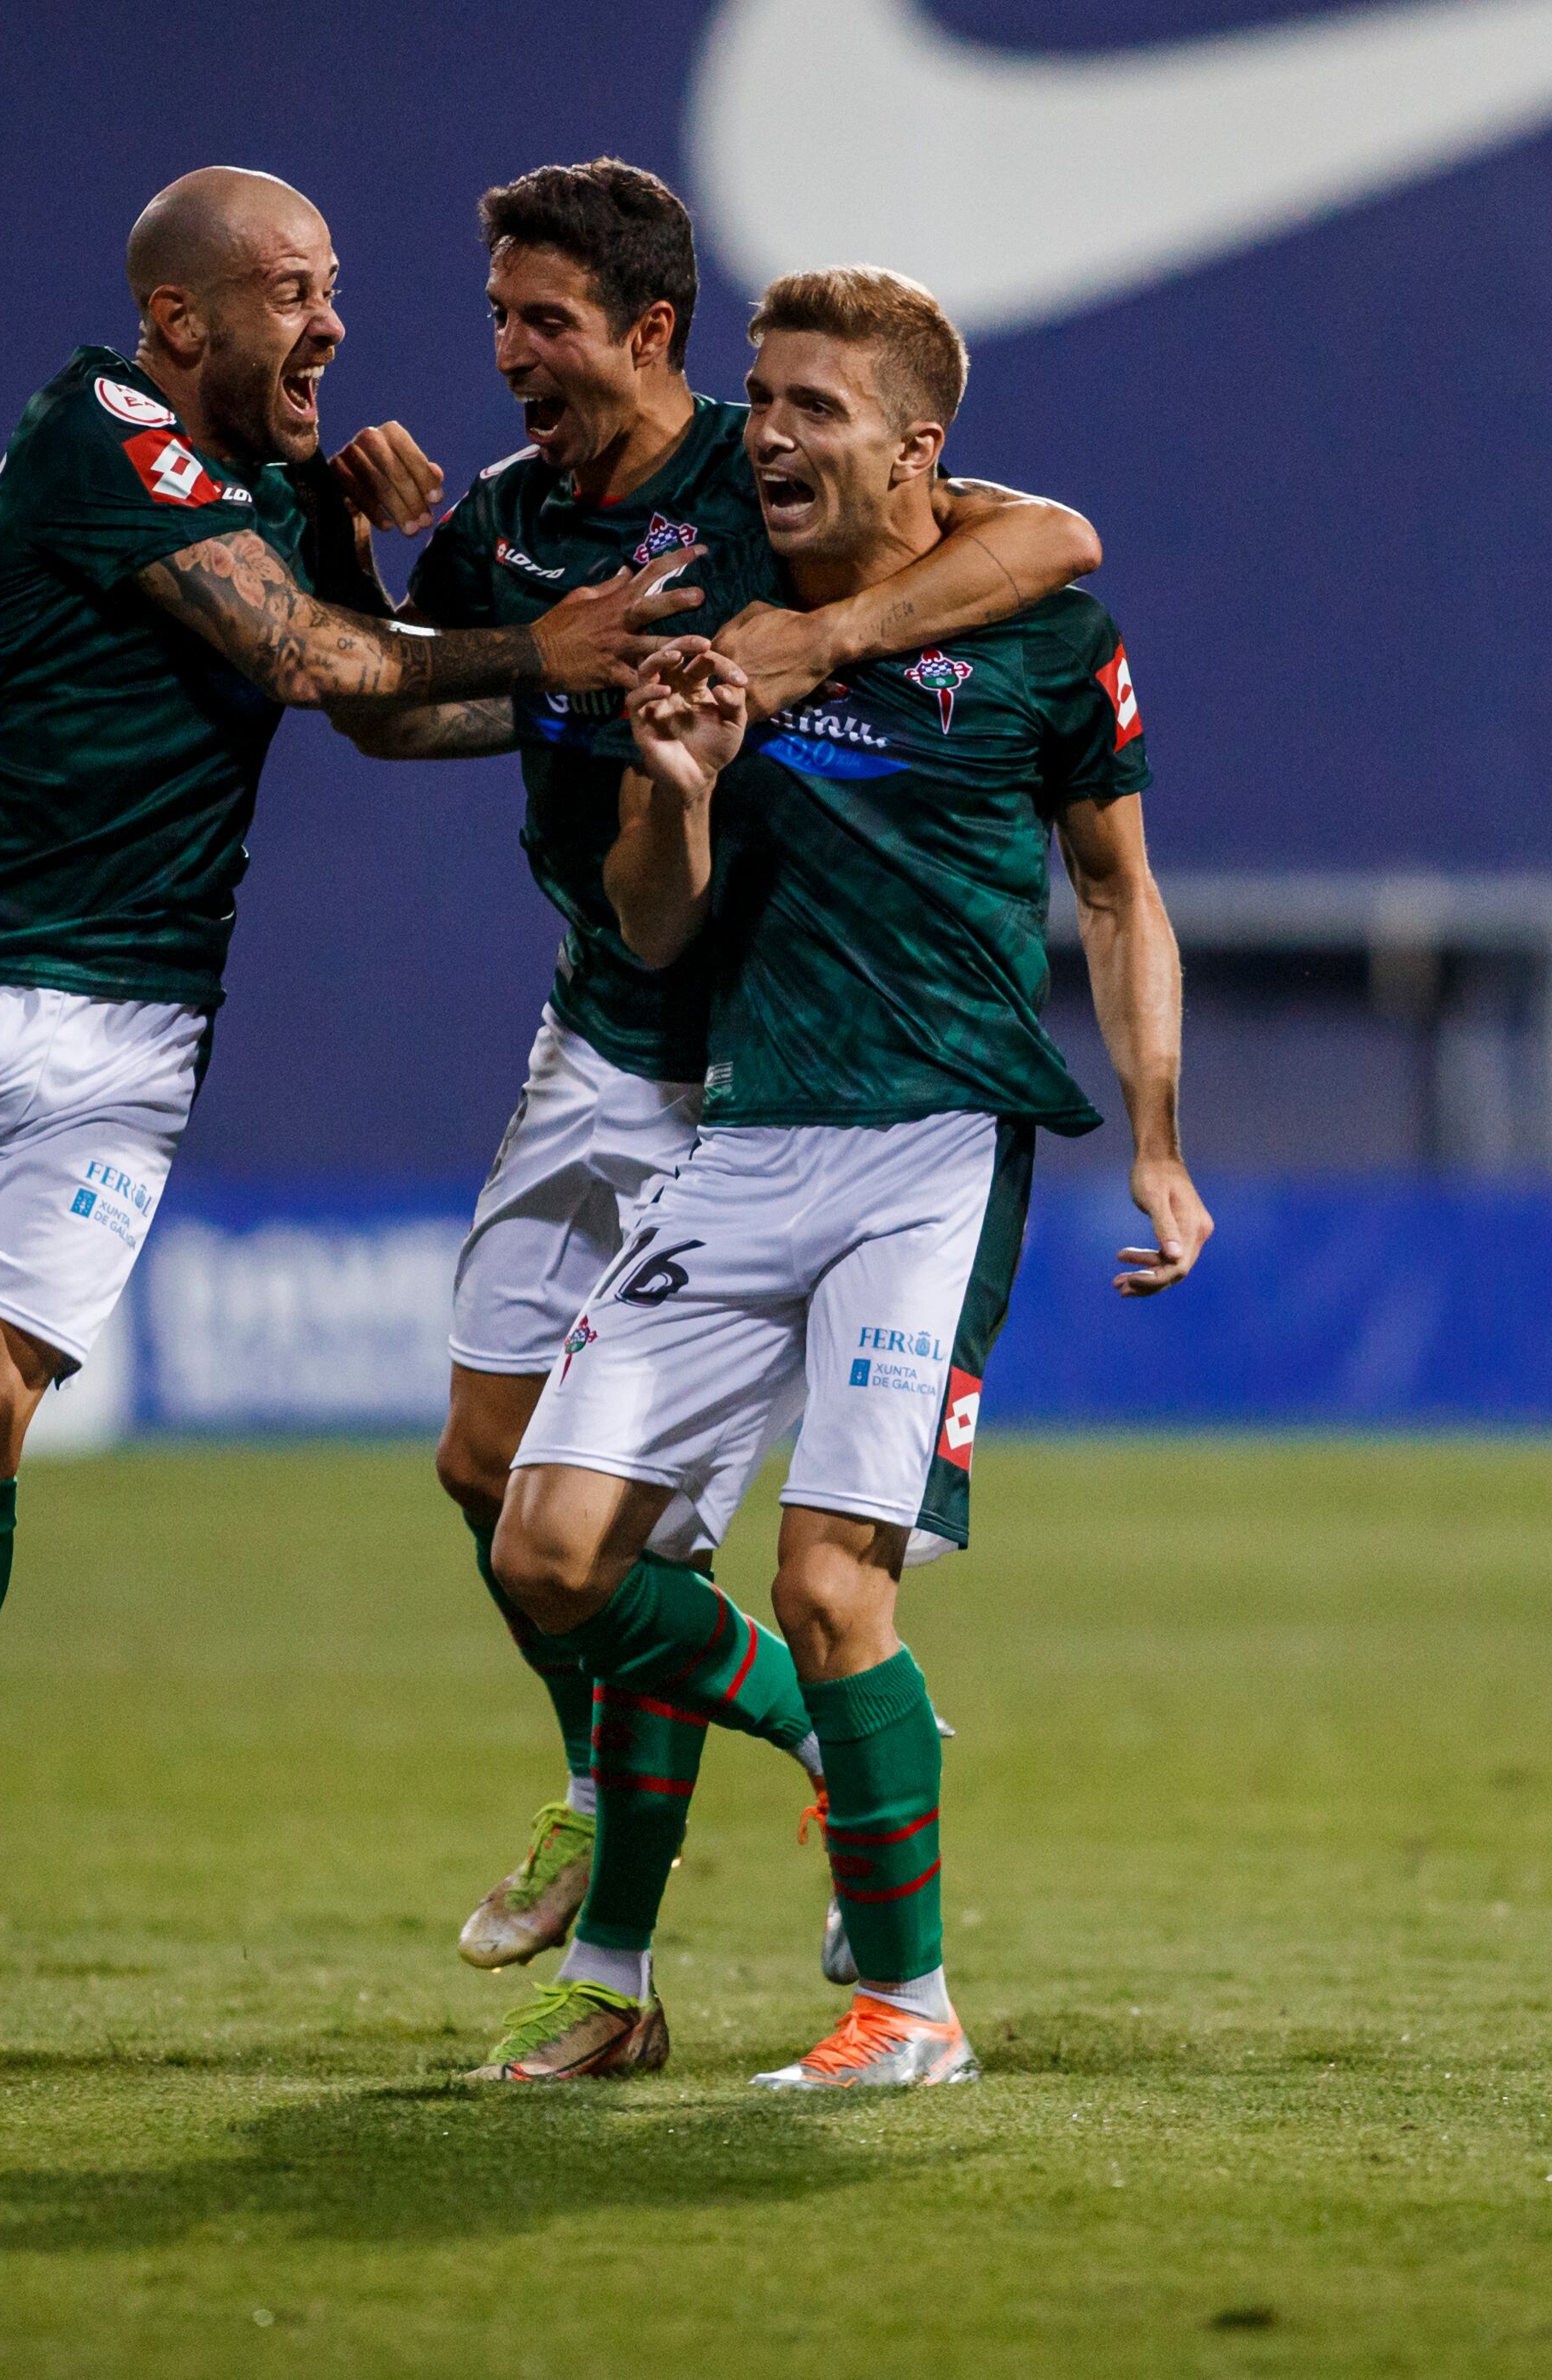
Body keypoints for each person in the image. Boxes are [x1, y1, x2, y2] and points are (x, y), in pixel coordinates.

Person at [0, 168, 674, 2033]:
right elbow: (303, 660)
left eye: (339, 284)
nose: (336, 325)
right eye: (295, 290)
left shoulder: (275, 488)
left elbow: (381, 703)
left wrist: (630, 692)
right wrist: (549, 646)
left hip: (125, 1042)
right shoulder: (93, 436)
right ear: (182, 321)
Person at [319, 161, 1103, 2054]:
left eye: (545, 322)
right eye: (495, 316)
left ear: (648, 334)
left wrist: (819, 639)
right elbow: (394, 705)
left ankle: (625, 1972)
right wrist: (394, 582)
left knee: (680, 1545)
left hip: (768, 1067)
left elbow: (1044, 538)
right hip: (608, 1024)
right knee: (491, 1479)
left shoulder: (764, 493)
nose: (509, 354)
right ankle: (704, 1766)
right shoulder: (512, 522)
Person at [480, 267, 1206, 2090]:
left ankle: (907, 2011)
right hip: (742, 1132)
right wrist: (679, 785)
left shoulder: (1045, 627)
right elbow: (654, 924)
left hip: (932, 1144)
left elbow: (1119, 896)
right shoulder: (715, 609)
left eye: (812, 406)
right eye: (760, 398)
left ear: (913, 443)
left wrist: (1163, 1148)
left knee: (827, 1573)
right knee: (550, 1549)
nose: (771, 436)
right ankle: (843, 1734)